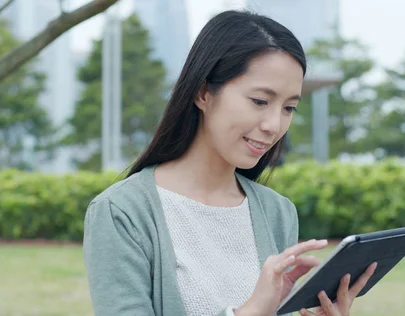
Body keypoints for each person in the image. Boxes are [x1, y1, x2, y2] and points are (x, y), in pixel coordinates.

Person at [83, 9, 377, 316]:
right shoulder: (122, 212)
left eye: (289, 108)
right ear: (203, 93)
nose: (274, 125)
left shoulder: (277, 213)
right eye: (260, 101)